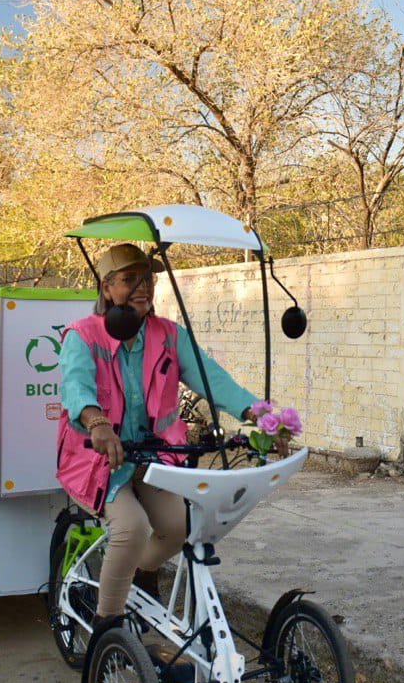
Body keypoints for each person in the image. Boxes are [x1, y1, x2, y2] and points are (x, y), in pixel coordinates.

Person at [57, 242, 264, 626]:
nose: (143, 287)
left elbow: (211, 378)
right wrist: (96, 422)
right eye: (129, 279)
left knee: (178, 527)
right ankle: (108, 628)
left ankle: (137, 574)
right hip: (99, 460)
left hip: (154, 456)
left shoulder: (168, 334)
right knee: (131, 528)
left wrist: (259, 414)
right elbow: (76, 387)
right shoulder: (82, 336)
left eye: (147, 279)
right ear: (106, 288)